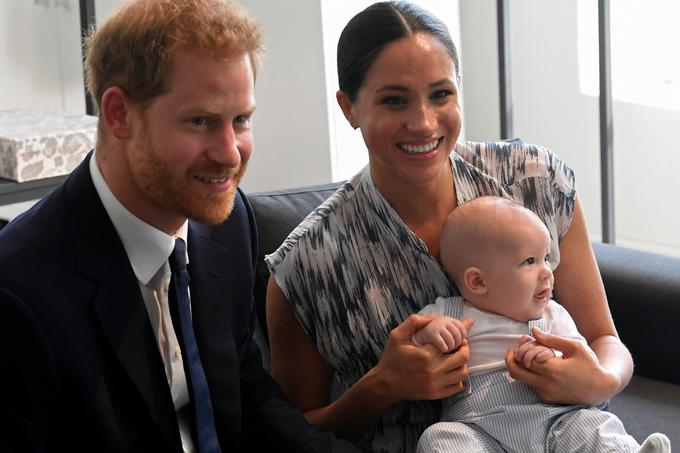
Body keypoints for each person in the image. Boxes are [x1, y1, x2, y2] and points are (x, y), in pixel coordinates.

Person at [265, 1, 636, 452]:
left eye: (440, 94)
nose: (423, 122)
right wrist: (382, 385)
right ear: (350, 108)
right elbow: (289, 436)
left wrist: (600, 381)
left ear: (460, 89)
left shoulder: (535, 181)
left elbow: (605, 338)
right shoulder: (307, 265)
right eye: (394, 99)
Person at [0, 1, 363, 452]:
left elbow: (248, 397)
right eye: (200, 121)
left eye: (241, 120)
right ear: (118, 114)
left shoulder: (227, 227)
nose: (231, 154)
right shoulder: (18, 293)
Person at [411, 196, 671, 453]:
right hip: (479, 430)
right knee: (439, 437)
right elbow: (411, 345)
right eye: (529, 261)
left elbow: (583, 362)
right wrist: (431, 333)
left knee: (593, 425)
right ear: (478, 282)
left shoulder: (552, 315)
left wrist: (553, 359)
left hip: (556, 421)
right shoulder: (448, 313)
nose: (547, 271)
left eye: (546, 258)